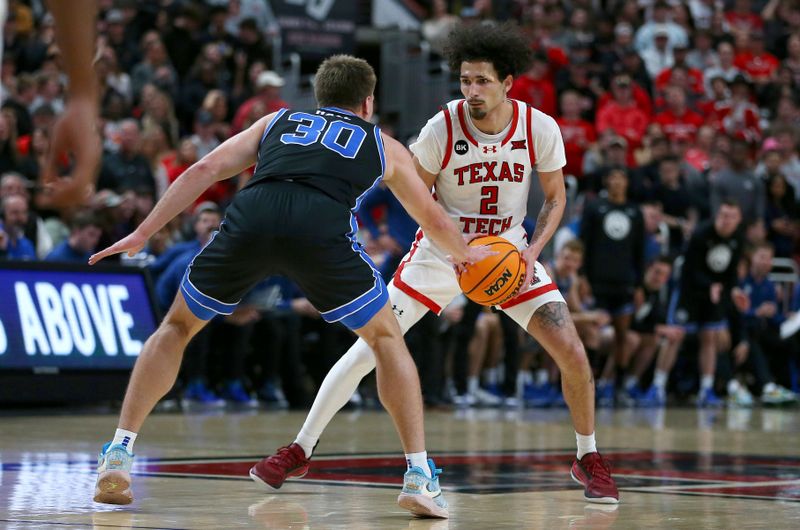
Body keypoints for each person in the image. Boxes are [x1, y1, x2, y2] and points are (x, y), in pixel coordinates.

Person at [89, 55, 492, 519]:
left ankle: (119, 452)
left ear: (318, 96)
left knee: (177, 327)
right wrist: (466, 256)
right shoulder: (381, 142)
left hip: (255, 212)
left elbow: (205, 170)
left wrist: (144, 230)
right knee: (385, 339)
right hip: (319, 223)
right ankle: (419, 475)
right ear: (368, 102)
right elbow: (432, 217)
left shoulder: (278, 119)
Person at [259, 22, 619, 504]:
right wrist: (448, 245)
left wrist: (533, 252)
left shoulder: (539, 127)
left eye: (482, 81)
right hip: (440, 254)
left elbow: (554, 199)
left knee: (572, 351)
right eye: (465, 80)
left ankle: (588, 455)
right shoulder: (441, 127)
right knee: (369, 350)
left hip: (508, 253)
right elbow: (411, 194)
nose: (471, 90)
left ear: (507, 81)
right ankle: (300, 449)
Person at [668, 199, 748, 406]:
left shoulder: (738, 239)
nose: (726, 220)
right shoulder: (702, 233)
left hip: (716, 292)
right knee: (675, 336)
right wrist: (709, 285)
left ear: (738, 220)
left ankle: (706, 388)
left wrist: (735, 290)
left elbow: (731, 273)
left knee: (710, 337)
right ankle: (657, 387)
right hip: (690, 291)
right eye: (723, 215)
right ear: (716, 215)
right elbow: (690, 269)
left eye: (731, 217)